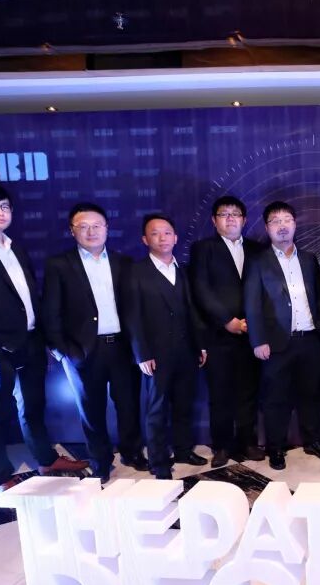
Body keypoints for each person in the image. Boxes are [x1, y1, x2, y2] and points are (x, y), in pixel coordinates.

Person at [0, 184, 88, 489]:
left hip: (30, 341)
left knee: (33, 407)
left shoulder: (15, 247)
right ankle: (1, 475)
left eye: (5, 206)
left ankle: (46, 460)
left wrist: (43, 338)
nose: (0, 212)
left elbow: (28, 297)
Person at [42, 202, 146, 481]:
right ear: (72, 230)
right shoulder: (59, 264)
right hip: (82, 350)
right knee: (91, 409)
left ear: (107, 228)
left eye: (97, 225)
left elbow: (135, 308)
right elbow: (50, 311)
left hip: (122, 346)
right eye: (83, 226)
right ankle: (100, 460)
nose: (91, 232)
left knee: (129, 404)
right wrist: (62, 352)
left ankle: (132, 451)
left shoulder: (124, 262)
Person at [243, 201, 320, 471]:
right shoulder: (258, 261)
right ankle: (275, 448)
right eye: (275, 221)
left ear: (295, 224)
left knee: (311, 394)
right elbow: (252, 304)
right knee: (276, 398)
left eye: (287, 220)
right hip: (276, 343)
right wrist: (258, 340)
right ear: (267, 227)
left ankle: (313, 441)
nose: (282, 225)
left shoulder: (308, 259)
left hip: (310, 340)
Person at [122, 214, 208, 480]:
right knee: (157, 409)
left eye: (167, 232)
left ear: (176, 238)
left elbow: (192, 311)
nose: (162, 238)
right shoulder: (135, 272)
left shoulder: (183, 270)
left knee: (184, 404)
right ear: (144, 239)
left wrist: (201, 345)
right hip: (155, 354)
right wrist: (142, 353)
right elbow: (132, 316)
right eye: (155, 233)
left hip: (187, 350)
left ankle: (183, 450)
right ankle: (158, 461)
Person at [189, 195, 266, 467]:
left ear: (244, 220)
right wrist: (227, 320)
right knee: (220, 394)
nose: (230, 218)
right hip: (218, 335)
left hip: (252, 335)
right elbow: (201, 289)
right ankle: (221, 446)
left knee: (248, 392)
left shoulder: (258, 249)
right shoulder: (203, 249)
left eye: (236, 214)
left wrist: (253, 322)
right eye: (224, 214)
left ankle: (247, 442)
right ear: (214, 220)